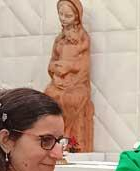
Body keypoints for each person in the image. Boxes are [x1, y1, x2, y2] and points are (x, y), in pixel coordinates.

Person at [44, 0, 94, 152]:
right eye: (61, 14)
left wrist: (69, 67)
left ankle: (68, 138)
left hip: (77, 83)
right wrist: (56, 69)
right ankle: (51, 138)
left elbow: (84, 67)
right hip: (59, 81)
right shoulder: (59, 40)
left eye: (68, 15)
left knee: (71, 99)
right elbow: (52, 62)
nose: (63, 18)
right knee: (49, 95)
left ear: (77, 17)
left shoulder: (83, 38)